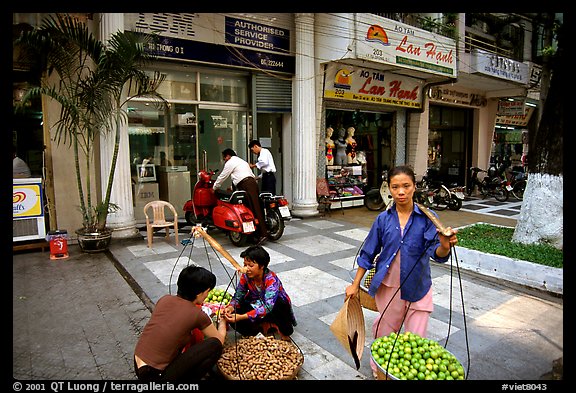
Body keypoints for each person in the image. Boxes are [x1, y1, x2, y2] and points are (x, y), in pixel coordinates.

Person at [344, 165, 458, 376]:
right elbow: (368, 253)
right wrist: (355, 284)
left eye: (406, 186)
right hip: (389, 289)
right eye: (395, 187)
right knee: (384, 336)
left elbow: (438, 254)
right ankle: (380, 373)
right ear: (389, 189)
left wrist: (444, 245)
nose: (401, 192)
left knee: (414, 343)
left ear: (414, 187)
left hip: (419, 287)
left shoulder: (427, 218)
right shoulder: (383, 220)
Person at [133, 265, 228, 381]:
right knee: (214, 345)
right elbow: (219, 340)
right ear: (199, 293)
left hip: (138, 361)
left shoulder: (165, 299)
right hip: (154, 375)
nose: (207, 295)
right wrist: (223, 321)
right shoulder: (197, 314)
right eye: (207, 291)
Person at [223, 245, 297, 340]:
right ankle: (258, 329)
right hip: (256, 304)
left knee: (281, 305)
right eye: (245, 265)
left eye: (251, 265)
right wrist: (231, 307)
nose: (246, 269)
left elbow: (268, 307)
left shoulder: (271, 279)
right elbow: (238, 295)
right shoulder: (246, 276)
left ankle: (279, 327)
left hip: (274, 308)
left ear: (261, 266)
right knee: (235, 313)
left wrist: (241, 317)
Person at [213, 148, 268, 242]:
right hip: (251, 184)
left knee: (254, 208)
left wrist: (214, 187)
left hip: (247, 185)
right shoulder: (241, 161)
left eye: (224, 157)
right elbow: (241, 175)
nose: (224, 159)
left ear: (228, 156)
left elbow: (223, 176)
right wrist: (231, 186)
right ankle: (254, 234)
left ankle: (262, 234)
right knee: (250, 208)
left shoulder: (231, 162)